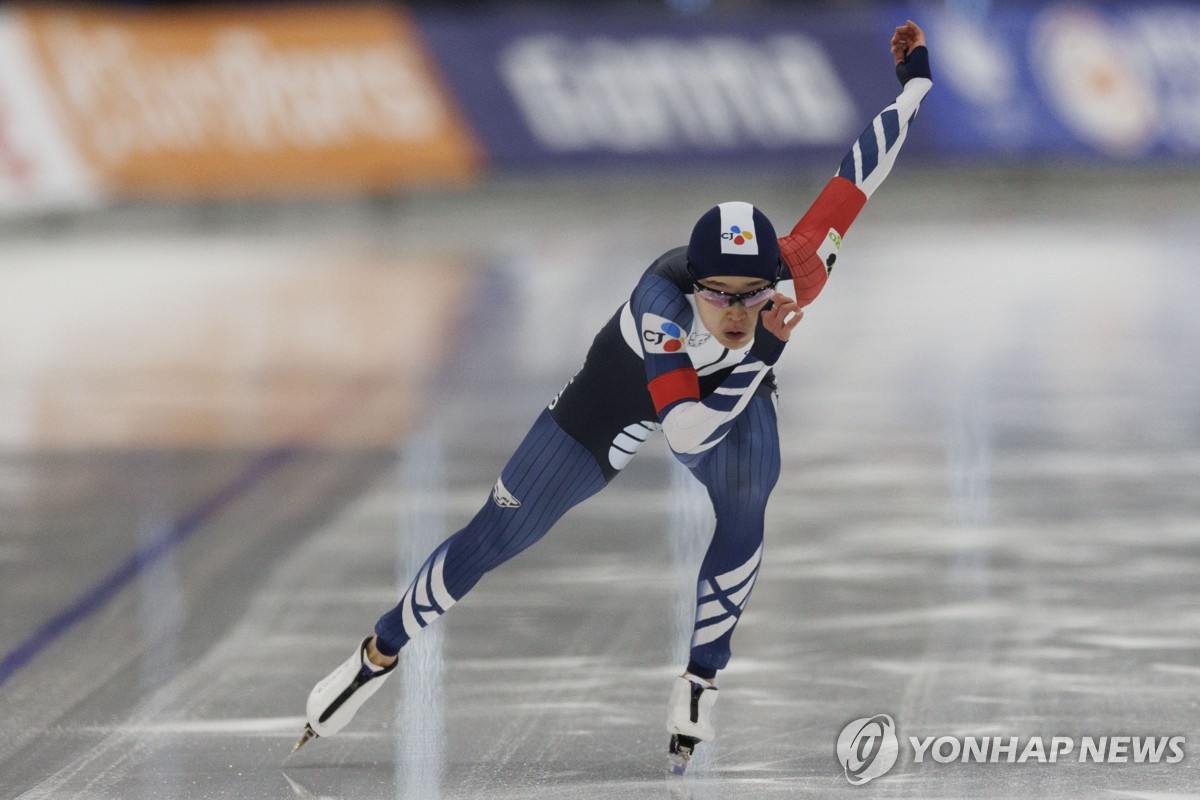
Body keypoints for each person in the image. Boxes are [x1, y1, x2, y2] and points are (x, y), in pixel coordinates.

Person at [291, 20, 933, 773]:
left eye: (750, 296)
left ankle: (701, 676)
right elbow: (687, 432)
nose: (732, 310)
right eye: (717, 295)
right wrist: (764, 345)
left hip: (728, 390)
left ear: (774, 284)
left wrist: (914, 83)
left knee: (750, 492)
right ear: (692, 284)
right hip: (620, 397)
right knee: (492, 540)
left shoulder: (796, 272)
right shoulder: (661, 310)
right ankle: (376, 654)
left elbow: (858, 175)